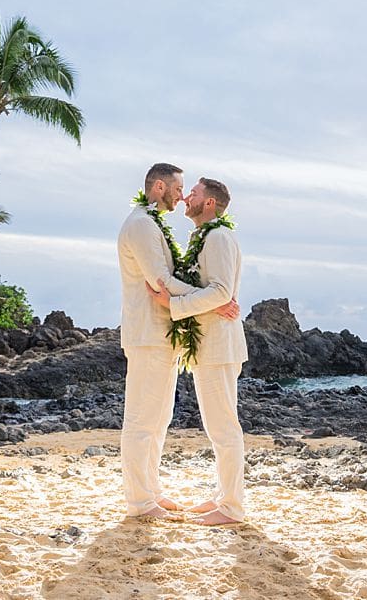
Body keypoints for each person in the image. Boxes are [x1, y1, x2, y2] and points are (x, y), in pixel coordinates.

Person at [117, 163, 239, 519]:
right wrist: (216, 300)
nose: (183, 195)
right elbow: (160, 280)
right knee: (142, 420)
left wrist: (209, 299)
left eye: (190, 191)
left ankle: (151, 491)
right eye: (179, 188)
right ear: (158, 186)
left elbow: (176, 283)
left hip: (162, 334)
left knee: (158, 419)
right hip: (148, 334)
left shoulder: (158, 225)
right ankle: (141, 502)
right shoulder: (140, 225)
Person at [148, 177, 246, 525]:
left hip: (219, 346)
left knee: (223, 429)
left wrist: (173, 303)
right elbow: (216, 292)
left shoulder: (218, 236)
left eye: (194, 193)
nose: (186, 196)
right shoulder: (206, 236)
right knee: (217, 426)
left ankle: (232, 508)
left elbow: (220, 292)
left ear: (209, 204)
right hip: (210, 343)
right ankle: (223, 497)